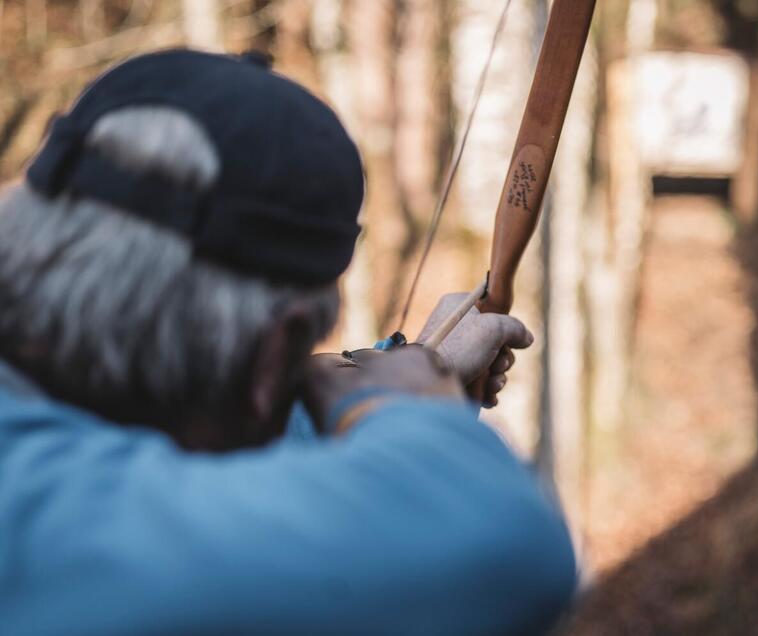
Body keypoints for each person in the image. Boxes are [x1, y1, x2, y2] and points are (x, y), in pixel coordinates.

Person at [0, 49, 577, 636]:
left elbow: (189, 448)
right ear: (277, 354)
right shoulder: (74, 527)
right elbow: (508, 545)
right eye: (296, 365)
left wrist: (414, 364)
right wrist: (401, 408)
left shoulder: (48, 452)